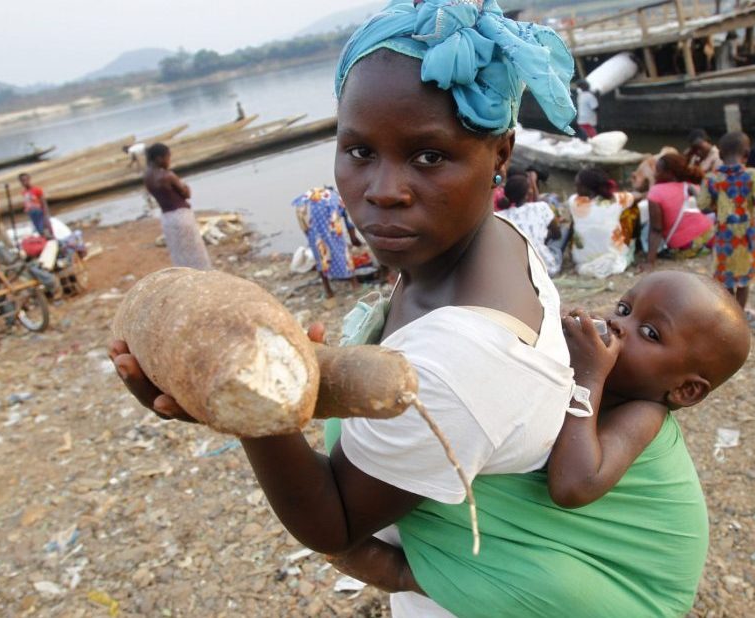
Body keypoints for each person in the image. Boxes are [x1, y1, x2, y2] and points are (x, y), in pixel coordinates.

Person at [112, 2, 615, 616]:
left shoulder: (457, 365)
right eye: (358, 151)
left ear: (502, 154)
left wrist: (248, 408)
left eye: (428, 157)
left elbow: (335, 522)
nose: (383, 191)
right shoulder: (490, 244)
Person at [328, 271, 751, 608]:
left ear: (685, 391)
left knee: (554, 583)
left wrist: (588, 375)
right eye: (624, 308)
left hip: (637, 586)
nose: (618, 325)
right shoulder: (603, 375)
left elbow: (573, 485)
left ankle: (408, 575)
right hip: (573, 540)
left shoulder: (645, 413)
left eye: (651, 333)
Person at [698, 132, 755, 312]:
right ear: (746, 154)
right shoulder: (753, 175)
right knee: (744, 279)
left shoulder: (711, 179)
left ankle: (730, 313)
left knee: (725, 279)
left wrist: (720, 207)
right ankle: (739, 313)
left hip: (724, 237)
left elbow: (703, 206)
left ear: (720, 154)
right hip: (746, 237)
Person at [142, 143, 211, 270]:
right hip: (181, 216)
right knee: (195, 251)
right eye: (168, 157)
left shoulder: (147, 177)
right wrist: (185, 186)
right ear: (159, 159)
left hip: (167, 218)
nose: (169, 161)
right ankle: (202, 274)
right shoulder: (167, 176)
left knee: (179, 252)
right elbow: (186, 194)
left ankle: (184, 276)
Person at [292, 186, 363, 298]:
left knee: (319, 252)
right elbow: (349, 223)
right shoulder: (337, 199)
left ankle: (328, 291)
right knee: (340, 249)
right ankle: (354, 283)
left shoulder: (314, 195)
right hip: (324, 214)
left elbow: (305, 228)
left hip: (304, 209)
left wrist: (312, 238)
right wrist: (354, 239)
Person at [645, 153, 714, 267]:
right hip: (709, 237)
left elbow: (656, 229)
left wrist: (650, 261)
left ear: (670, 173)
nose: (655, 174)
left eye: (658, 171)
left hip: (686, 247)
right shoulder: (690, 186)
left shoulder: (655, 192)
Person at [569, 168, 637, 279]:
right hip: (613, 256)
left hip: (581, 260)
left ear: (585, 188)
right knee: (632, 212)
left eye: (577, 186)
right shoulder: (617, 199)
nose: (575, 188)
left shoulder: (573, 201)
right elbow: (636, 196)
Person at [496, 174, 561, 276]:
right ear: (527, 193)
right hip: (546, 267)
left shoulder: (500, 217)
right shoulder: (541, 207)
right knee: (561, 235)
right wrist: (543, 236)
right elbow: (557, 235)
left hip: (516, 271)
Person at [18, 173, 51, 238]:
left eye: (26, 180)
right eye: (22, 181)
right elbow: (27, 202)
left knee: (43, 228)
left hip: (39, 212)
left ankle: (48, 238)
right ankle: (43, 238)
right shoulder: (24, 192)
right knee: (38, 229)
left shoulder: (37, 189)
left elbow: (43, 202)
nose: (25, 182)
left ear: (29, 179)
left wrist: (46, 214)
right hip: (31, 213)